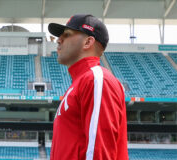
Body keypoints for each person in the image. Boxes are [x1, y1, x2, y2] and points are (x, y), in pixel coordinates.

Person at [48, 14, 129, 160]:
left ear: (87, 42)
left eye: (66, 34)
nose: (59, 39)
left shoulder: (95, 79)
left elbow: (99, 151)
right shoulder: (81, 82)